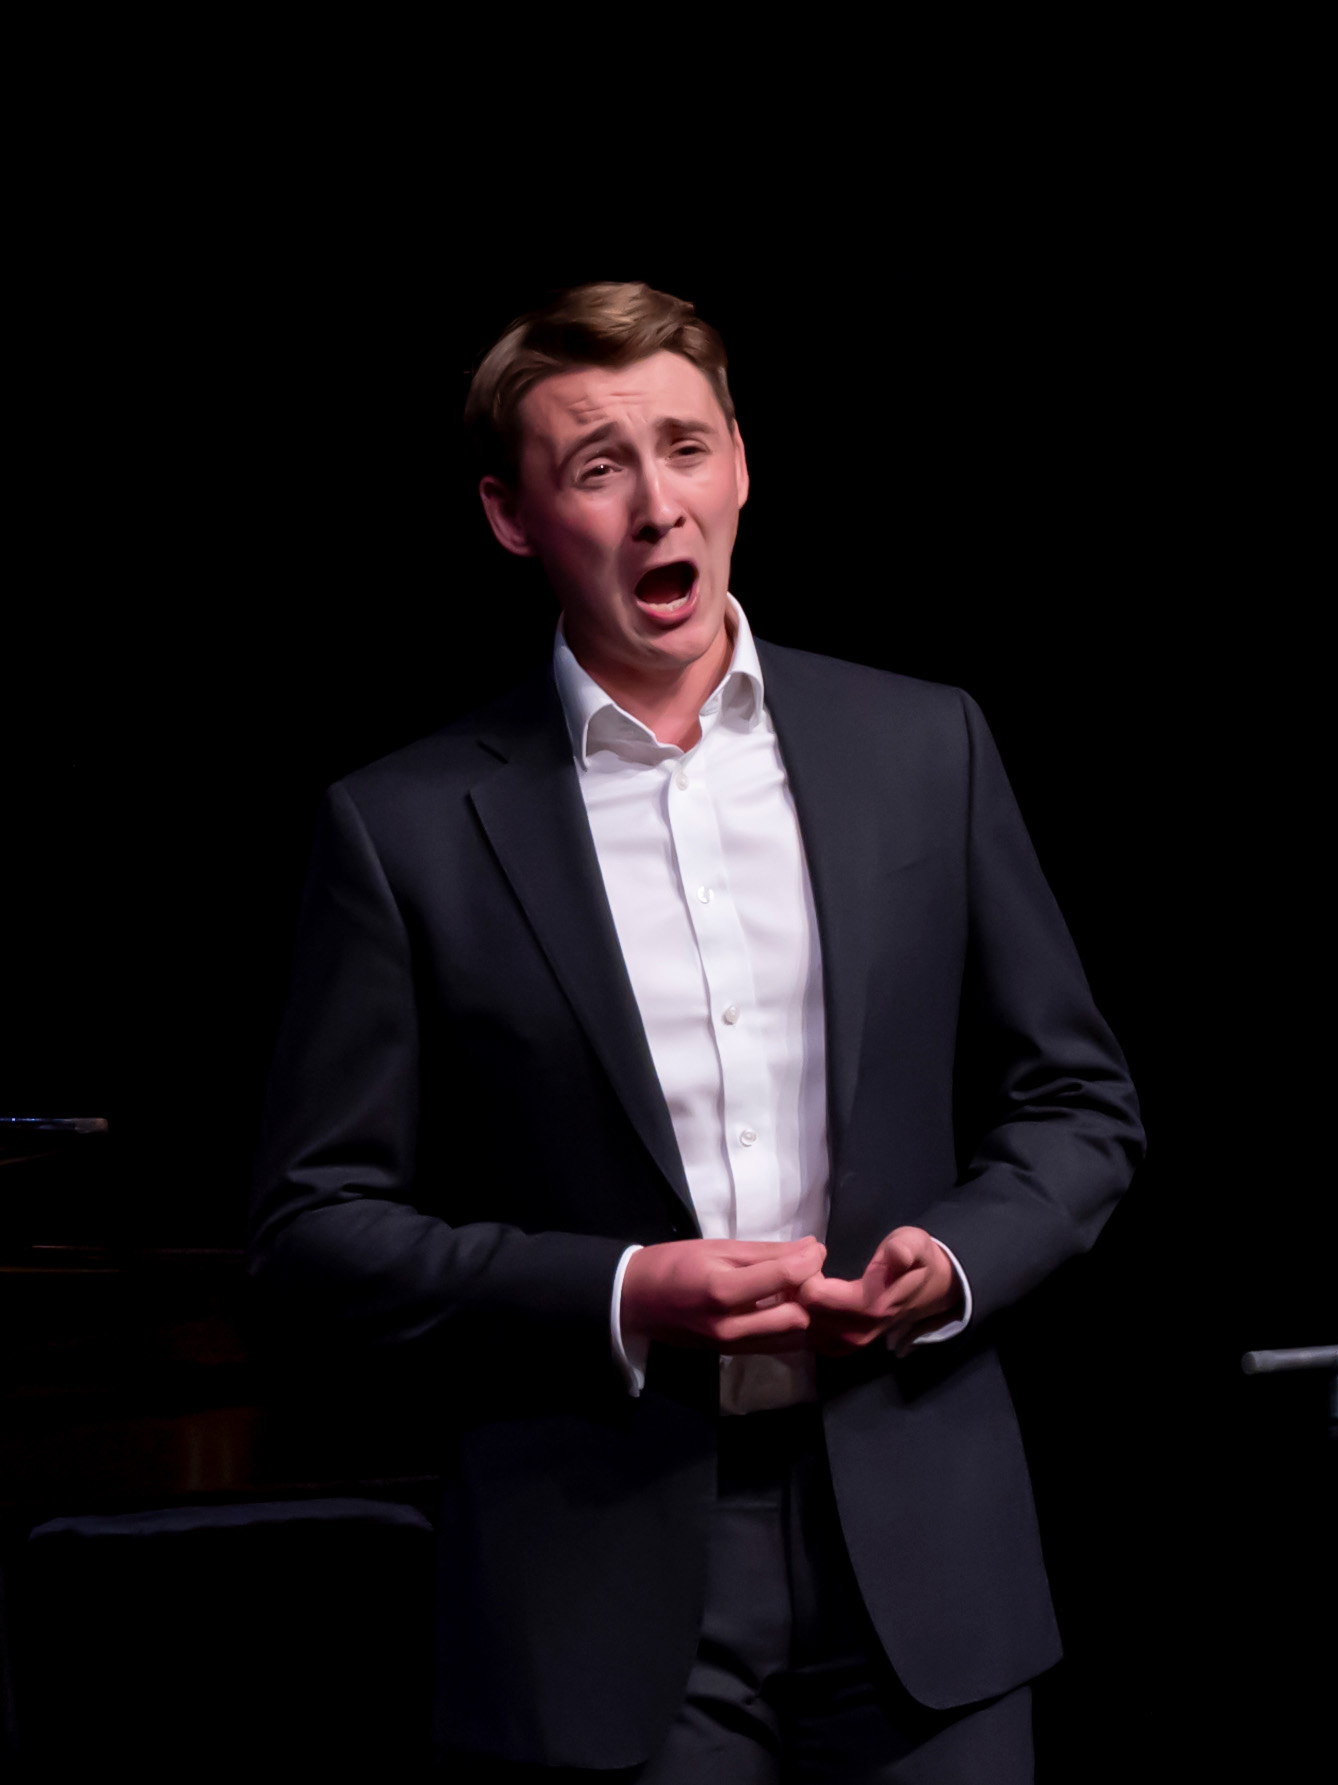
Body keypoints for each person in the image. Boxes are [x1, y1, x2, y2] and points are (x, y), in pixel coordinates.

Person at [249, 281, 1145, 1781]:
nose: (657, 501)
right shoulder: (402, 829)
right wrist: (622, 1287)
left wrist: (961, 1257)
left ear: (740, 462)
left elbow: (1078, 1100)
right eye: (598, 465)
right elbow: (312, 1229)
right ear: (513, 515)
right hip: (595, 1579)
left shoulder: (926, 745)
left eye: (685, 446)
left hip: (928, 1558)